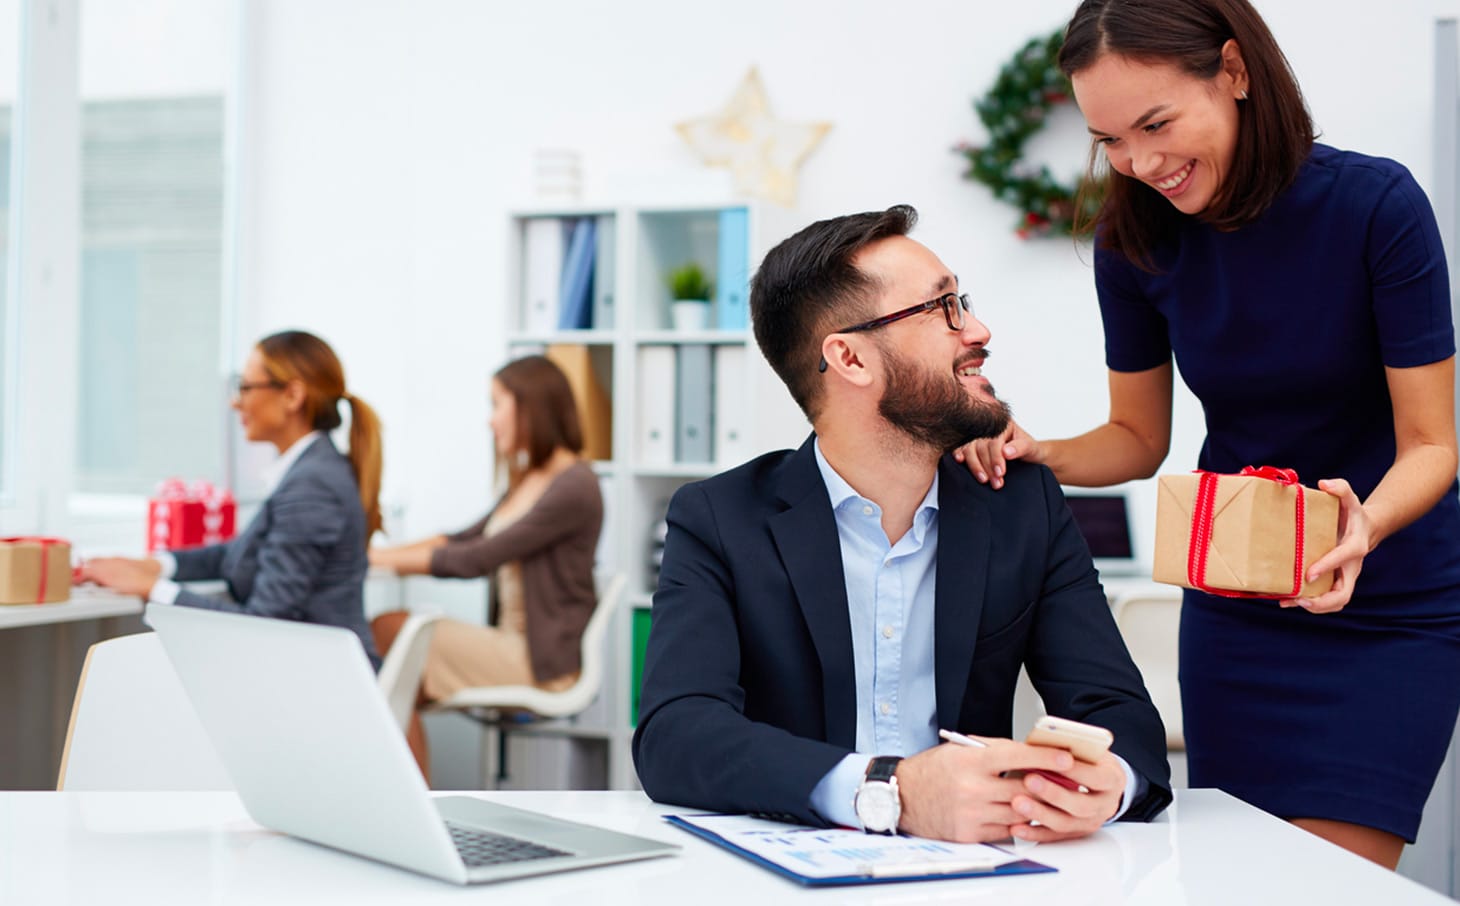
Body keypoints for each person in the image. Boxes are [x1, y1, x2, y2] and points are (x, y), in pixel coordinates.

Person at [958, 0, 1460, 868]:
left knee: (1326, 881)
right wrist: (1044, 451)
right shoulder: (1133, 237)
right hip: (1237, 604)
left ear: (1234, 72)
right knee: (1235, 874)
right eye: (1110, 140)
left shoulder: (1375, 205)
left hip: (1390, 606)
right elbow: (1135, 438)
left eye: (1155, 123)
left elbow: (1434, 446)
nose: (1140, 163)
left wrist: (1364, 527)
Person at [633, 205, 1171, 844]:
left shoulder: (1023, 505)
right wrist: (887, 791)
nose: (977, 329)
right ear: (851, 359)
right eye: (943, 308)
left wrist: (1109, 785)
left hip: (976, 876)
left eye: (963, 301)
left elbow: (1123, 724)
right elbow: (676, 734)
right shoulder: (720, 518)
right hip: (785, 867)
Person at [81, 330, 385, 667]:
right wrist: (159, 565)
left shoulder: (311, 485)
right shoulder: (313, 470)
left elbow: (263, 623)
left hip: (325, 683)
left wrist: (153, 589)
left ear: (293, 395)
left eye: (246, 387)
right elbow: (239, 553)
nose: (235, 401)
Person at [370, 355, 603, 782]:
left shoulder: (575, 485)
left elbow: (475, 558)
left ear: (531, 407)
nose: (490, 421)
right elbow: (459, 539)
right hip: (511, 644)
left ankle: (413, 799)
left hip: (539, 660)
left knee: (388, 634)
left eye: (497, 405)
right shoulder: (529, 478)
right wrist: (379, 554)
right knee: (390, 671)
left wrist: (374, 560)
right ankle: (407, 797)